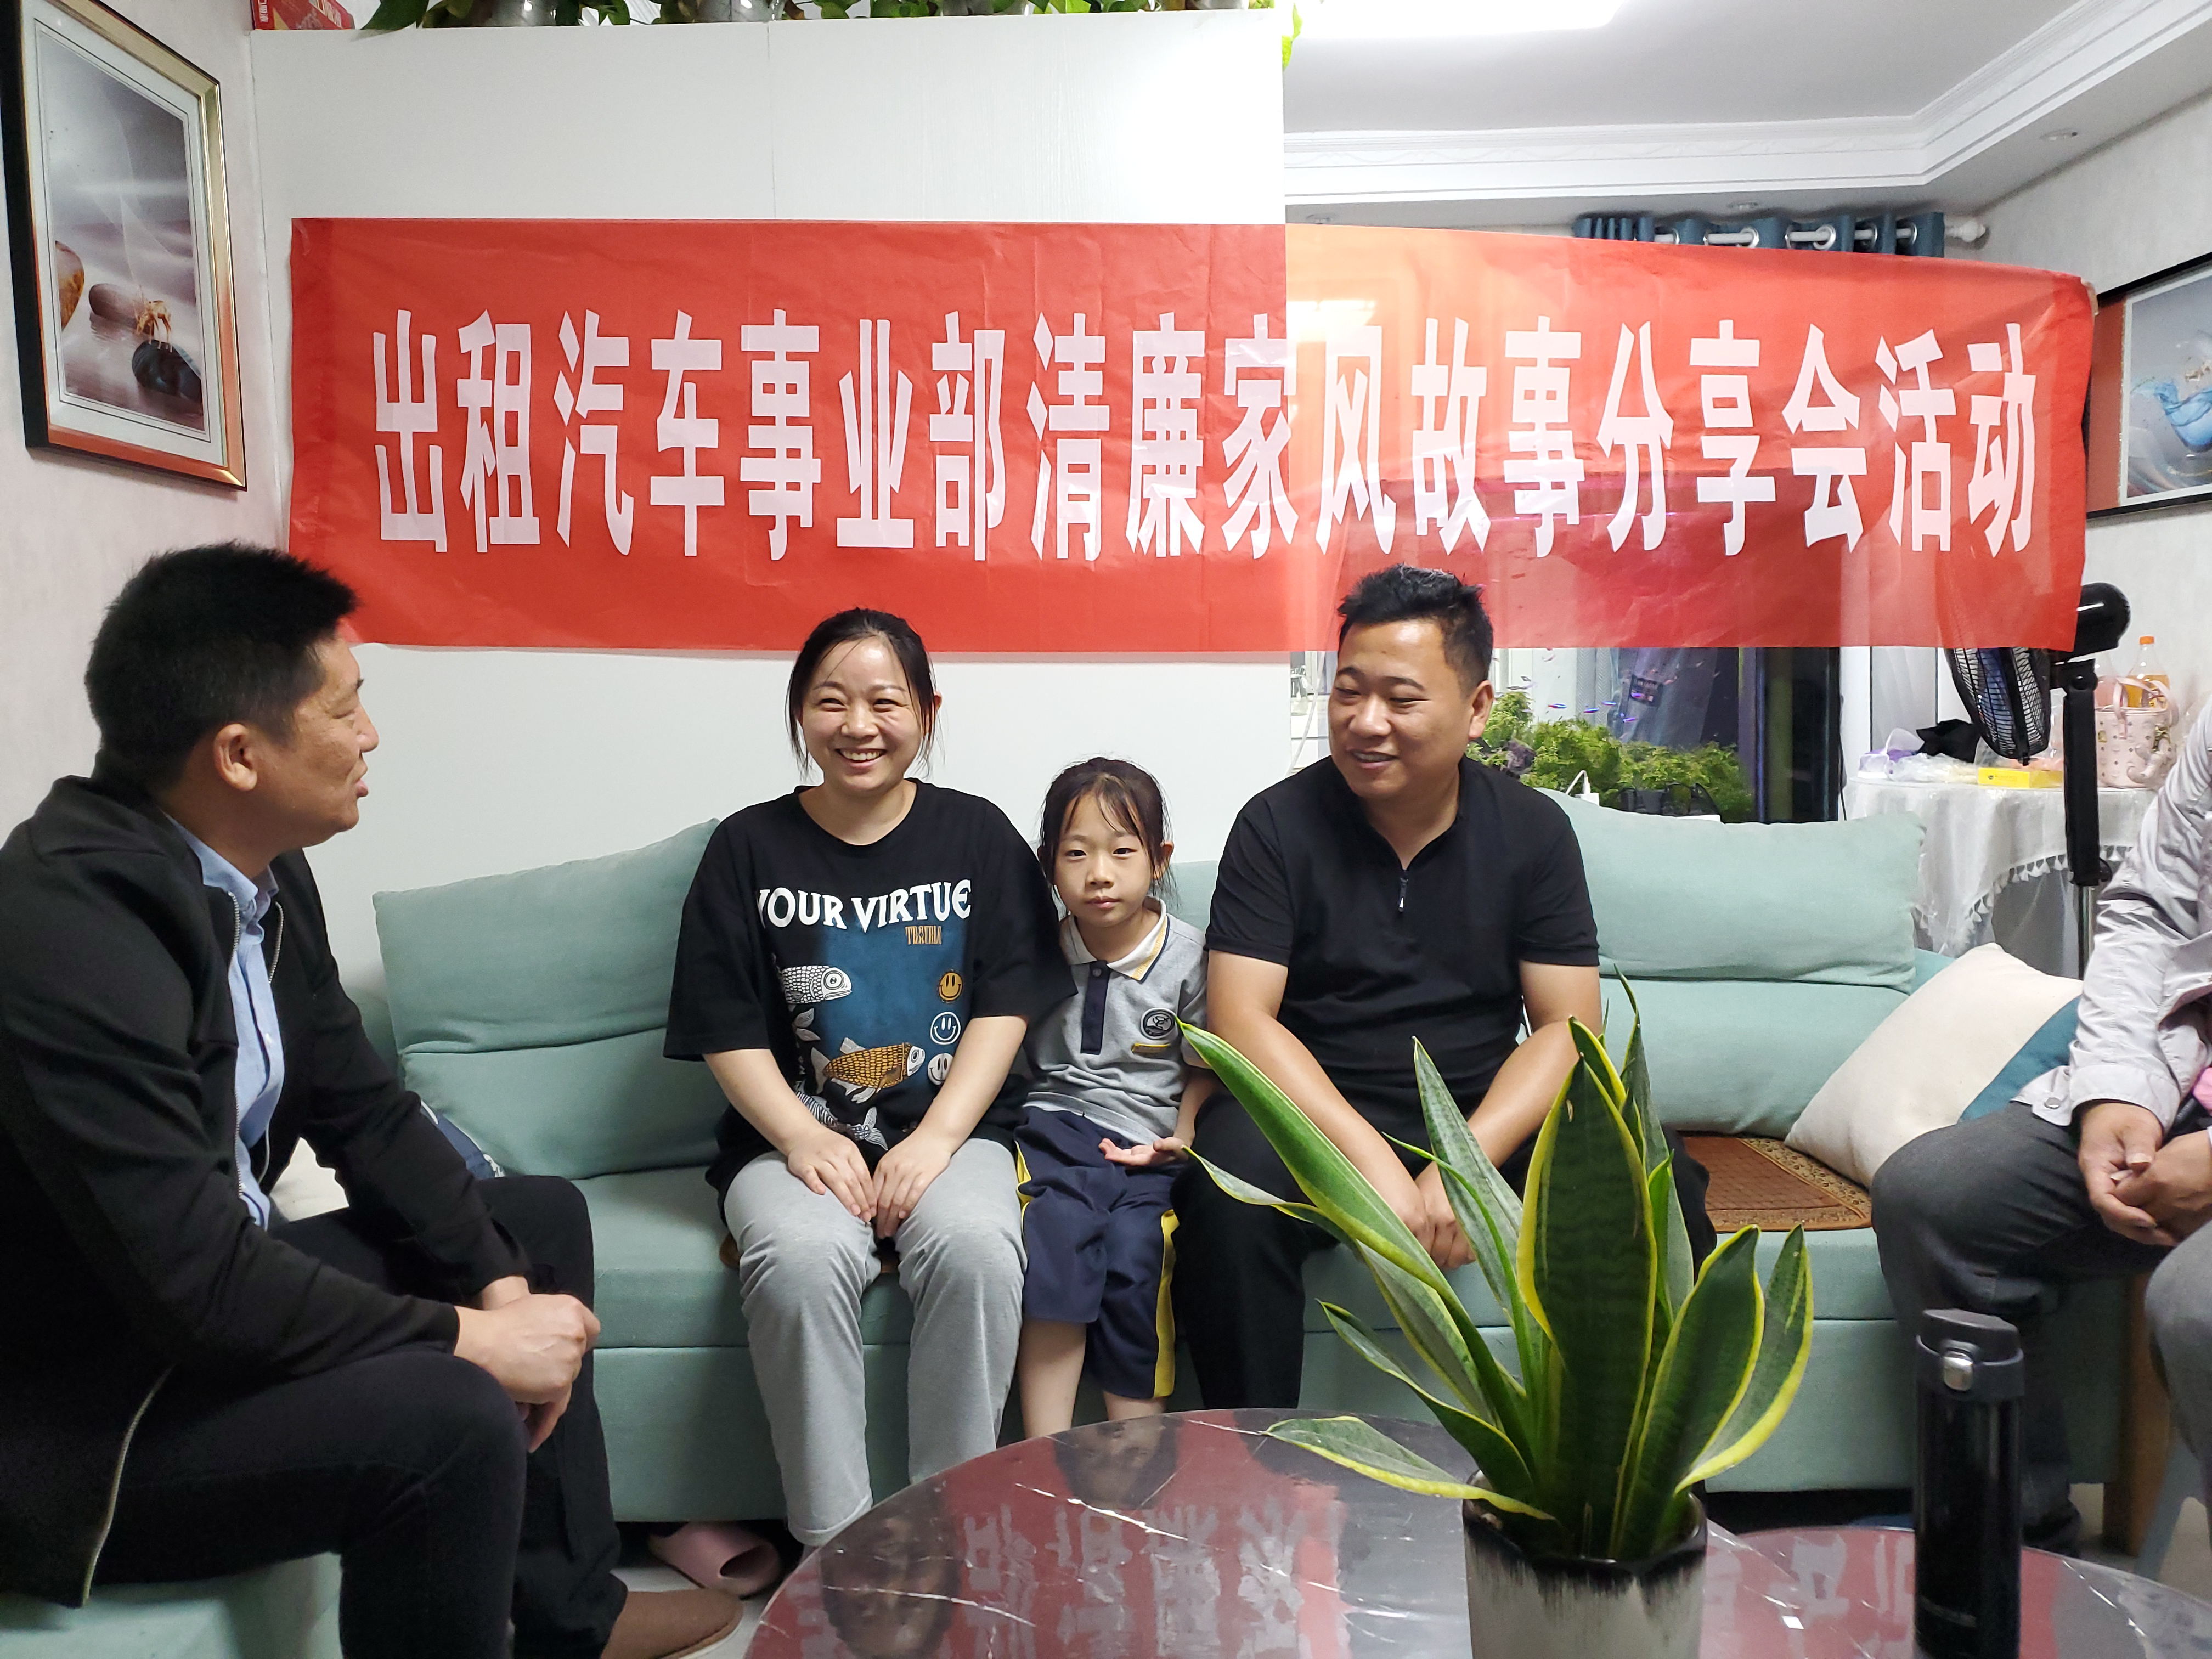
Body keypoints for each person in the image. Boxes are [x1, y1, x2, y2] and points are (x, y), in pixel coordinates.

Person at [0, 545, 736, 1659]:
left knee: (533, 1220)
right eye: (345, 710)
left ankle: (568, 1622)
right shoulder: (69, 933)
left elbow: (368, 1112)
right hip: (88, 1413)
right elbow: (198, 1285)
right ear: (239, 754)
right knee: (452, 1420)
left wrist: (495, 1278)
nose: (371, 736)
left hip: (192, 1325)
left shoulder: (257, 874)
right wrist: (472, 1339)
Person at [1172, 564, 1715, 1409]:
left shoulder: (1533, 832)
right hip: (1314, 1112)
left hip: (1473, 1105)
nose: (1365, 722)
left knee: (1656, 1175)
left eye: (1400, 698)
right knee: (1222, 1192)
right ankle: (1253, 1465)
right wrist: (1373, 1168)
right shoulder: (1275, 827)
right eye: (1348, 692)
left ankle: (1656, 1469)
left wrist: (1464, 1166)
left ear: (1478, 708)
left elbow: (1567, 1031)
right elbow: (1244, 1020)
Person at [664, 608, 1070, 1548]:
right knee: (800, 1258)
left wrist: (937, 1140)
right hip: (789, 1138)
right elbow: (726, 1027)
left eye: (885, 702)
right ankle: (834, 1548)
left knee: (977, 1246)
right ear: (799, 712)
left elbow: (1006, 1005)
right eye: (830, 702)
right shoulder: (746, 847)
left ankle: (951, 1528)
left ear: (926, 711)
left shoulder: (977, 835)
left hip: (955, 1131)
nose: (858, 726)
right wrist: (801, 1134)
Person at [1875, 702, 2212, 1553]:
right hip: (2181, 1079)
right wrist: (2116, 1094)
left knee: (2197, 1304)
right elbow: (2151, 911)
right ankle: (2016, 1545)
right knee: (1937, 1195)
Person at [1013, 759, 1211, 1437]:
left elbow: (1208, 1067)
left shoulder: (1192, 957)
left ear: (1159, 859)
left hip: (1150, 1145)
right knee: (1061, 1234)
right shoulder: (1035, 950)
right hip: (1055, 1128)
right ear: (1049, 864)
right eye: (1076, 854)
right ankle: (1044, 1452)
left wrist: (1184, 1135)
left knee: (1136, 1254)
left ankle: (1134, 1459)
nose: (1099, 874)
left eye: (1122, 852)